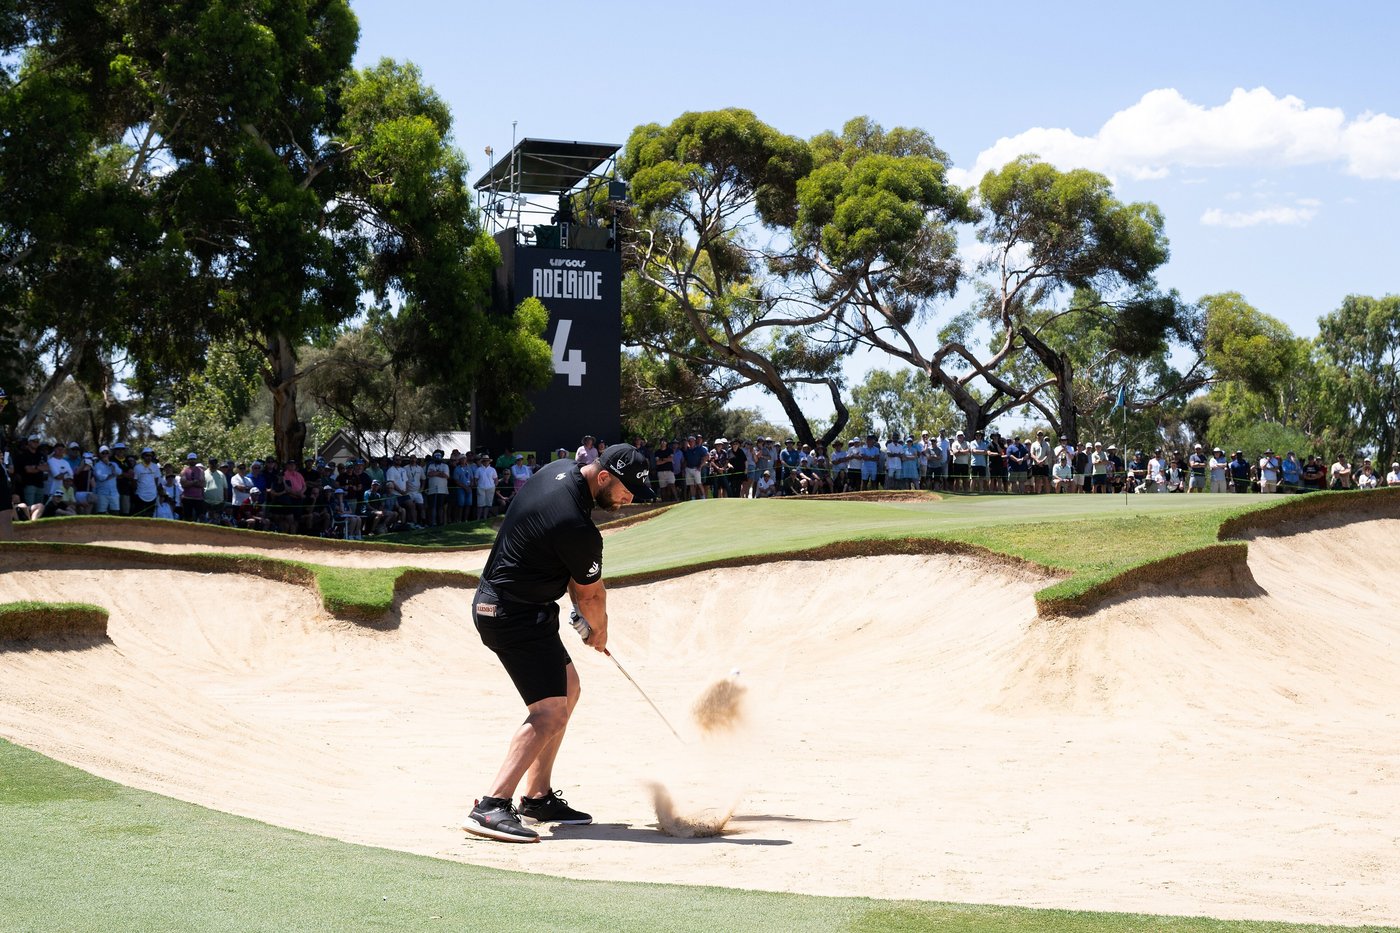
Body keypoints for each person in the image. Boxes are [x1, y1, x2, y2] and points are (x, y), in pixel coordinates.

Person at [464, 443, 655, 843]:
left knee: (568, 690)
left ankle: (537, 797)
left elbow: (566, 571)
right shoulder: (577, 527)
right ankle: (491, 806)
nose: (629, 498)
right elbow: (590, 595)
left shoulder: (560, 469)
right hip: (511, 615)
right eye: (626, 489)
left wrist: (587, 618)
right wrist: (598, 631)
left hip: (514, 607)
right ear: (603, 477)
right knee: (549, 712)